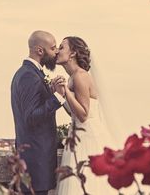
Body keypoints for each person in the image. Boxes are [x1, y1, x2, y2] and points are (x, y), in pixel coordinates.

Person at [54, 36, 118, 195]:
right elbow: (73, 112)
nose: (57, 51)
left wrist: (67, 92)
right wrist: (62, 94)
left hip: (87, 138)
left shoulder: (80, 76)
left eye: (61, 47)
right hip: (78, 136)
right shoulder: (72, 77)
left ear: (73, 53)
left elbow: (83, 114)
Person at [10, 30, 66, 195]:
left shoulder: (32, 73)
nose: (56, 52)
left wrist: (49, 91)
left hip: (36, 161)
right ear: (40, 51)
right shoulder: (29, 76)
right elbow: (31, 117)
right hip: (35, 162)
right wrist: (57, 97)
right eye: (53, 48)